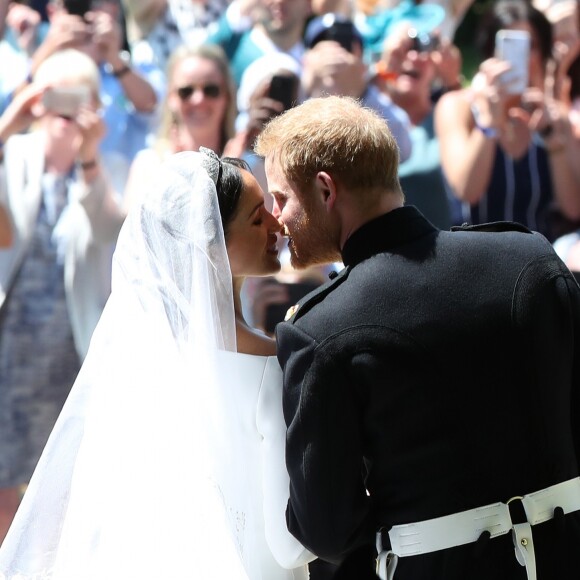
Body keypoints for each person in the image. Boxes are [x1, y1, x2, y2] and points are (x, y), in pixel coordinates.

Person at [254, 94, 580, 580]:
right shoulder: (528, 259)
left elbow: (327, 529)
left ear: (325, 191)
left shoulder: (320, 329)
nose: (276, 216)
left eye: (280, 197)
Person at [0, 148, 314, 578]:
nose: (276, 225)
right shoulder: (270, 363)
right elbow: (290, 542)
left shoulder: (135, 363)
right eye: (257, 217)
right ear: (209, 238)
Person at [0, 47, 125, 544]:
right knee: (5, 486)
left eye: (80, 96)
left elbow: (108, 226)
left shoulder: (105, 161)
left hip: (72, 356)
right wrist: (11, 122)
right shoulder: (14, 154)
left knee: (65, 490)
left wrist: (89, 156)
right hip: (11, 352)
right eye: (57, 94)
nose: (68, 110)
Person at [435, 0, 580, 241]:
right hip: (475, 257)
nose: (518, 57)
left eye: (529, 45)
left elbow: (573, 207)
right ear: (489, 49)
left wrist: (554, 139)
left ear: (542, 52)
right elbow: (467, 190)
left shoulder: (548, 114)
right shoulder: (458, 106)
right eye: (507, 45)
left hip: (538, 261)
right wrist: (489, 123)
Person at [122, 43, 237, 211]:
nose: (198, 99)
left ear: (227, 96)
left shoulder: (248, 167)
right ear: (171, 97)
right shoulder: (149, 166)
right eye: (186, 91)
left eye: (211, 90)